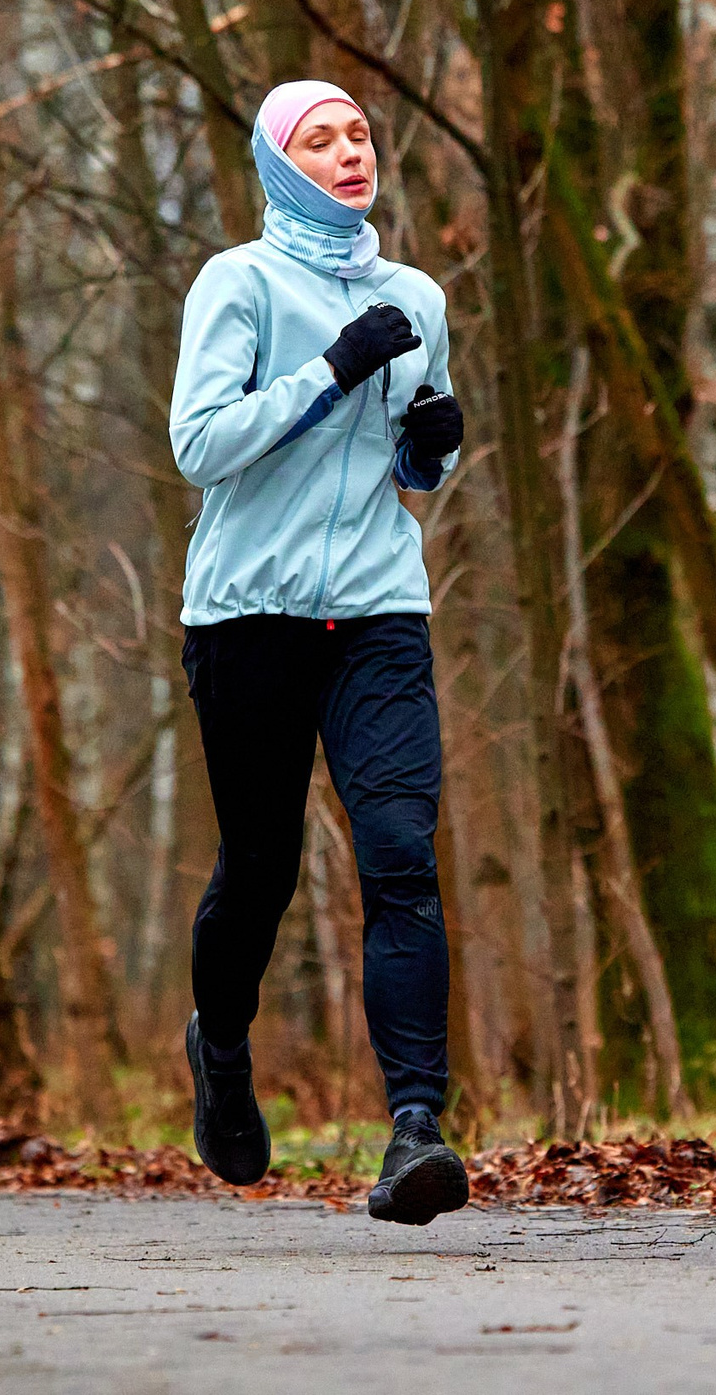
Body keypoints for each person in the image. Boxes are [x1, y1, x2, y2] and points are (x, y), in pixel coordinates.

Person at [167, 79, 470, 1225]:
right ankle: (222, 1047)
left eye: (359, 134)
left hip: (380, 612)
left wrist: (433, 451)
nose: (351, 153)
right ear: (280, 166)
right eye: (321, 140)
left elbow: (406, 468)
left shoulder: (417, 297)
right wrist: (332, 369)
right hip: (249, 612)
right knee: (261, 869)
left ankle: (413, 1131)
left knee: (400, 855)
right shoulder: (236, 284)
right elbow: (202, 444)